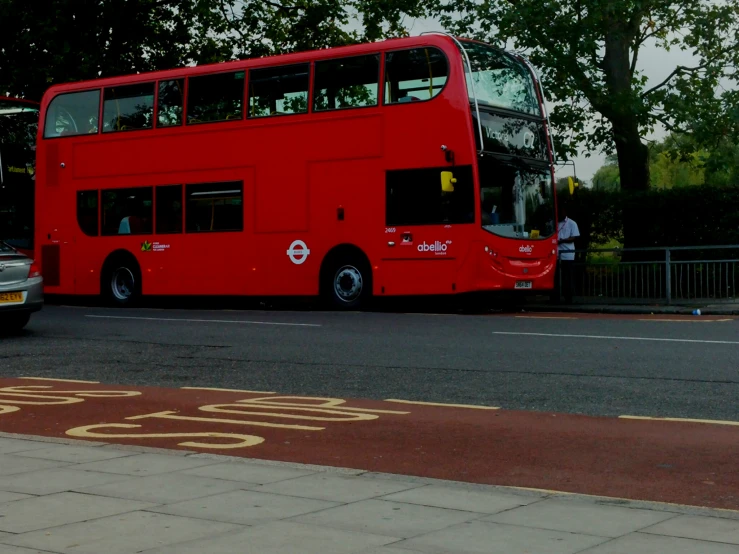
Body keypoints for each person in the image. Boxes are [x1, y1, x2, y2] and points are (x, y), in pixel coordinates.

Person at [554, 205, 579, 304]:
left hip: (567, 254)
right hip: (555, 254)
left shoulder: (572, 223)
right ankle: (555, 297)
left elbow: (574, 237)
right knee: (556, 277)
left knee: (567, 277)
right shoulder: (554, 223)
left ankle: (568, 298)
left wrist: (563, 241)